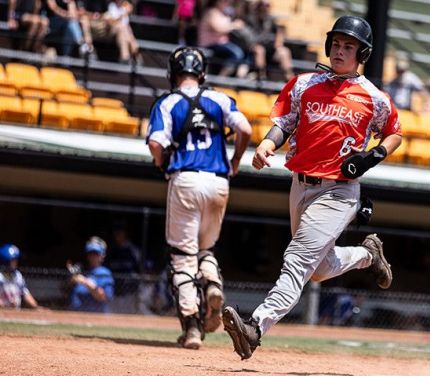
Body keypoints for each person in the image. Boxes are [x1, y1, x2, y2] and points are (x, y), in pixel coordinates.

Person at [222, 15, 402, 360]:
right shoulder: (304, 84)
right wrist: (267, 143)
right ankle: (368, 255)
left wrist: (372, 156)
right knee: (319, 270)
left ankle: (255, 327)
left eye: (348, 46)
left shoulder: (373, 97)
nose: (339, 50)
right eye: (335, 43)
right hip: (300, 185)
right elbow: (284, 124)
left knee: (298, 259)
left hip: (339, 190)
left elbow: (394, 131)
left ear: (361, 52)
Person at [146, 46, 252, 349]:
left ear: (173, 73)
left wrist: (161, 163)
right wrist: (236, 160)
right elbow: (244, 129)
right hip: (219, 181)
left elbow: (156, 143)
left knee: (182, 257)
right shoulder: (219, 98)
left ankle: (192, 328)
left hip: (186, 179)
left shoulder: (168, 102)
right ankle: (214, 286)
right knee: (205, 249)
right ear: (201, 72)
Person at [197, 0, 248, 77]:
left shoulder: (224, 14)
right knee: (237, 53)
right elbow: (218, 29)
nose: (227, 3)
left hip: (223, 44)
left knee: (246, 53)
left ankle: (240, 78)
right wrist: (234, 25)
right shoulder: (211, 12)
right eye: (224, 1)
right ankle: (222, 77)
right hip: (210, 44)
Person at [245, 0, 293, 81]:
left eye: (267, 6)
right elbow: (250, 38)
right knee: (260, 50)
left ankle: (290, 79)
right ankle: (262, 77)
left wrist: (278, 43)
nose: (265, 8)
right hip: (254, 49)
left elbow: (280, 31)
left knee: (284, 52)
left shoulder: (270, 19)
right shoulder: (250, 19)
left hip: (270, 49)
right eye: (263, 5)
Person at [68, 236, 115, 313]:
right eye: (90, 253)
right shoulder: (82, 270)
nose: (93, 256)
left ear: (102, 256)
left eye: (96, 254)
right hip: (76, 314)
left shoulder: (105, 273)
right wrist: (71, 280)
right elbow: (64, 289)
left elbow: (105, 297)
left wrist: (86, 282)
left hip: (95, 315)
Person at [106, 223, 142, 313]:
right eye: (116, 233)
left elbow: (140, 269)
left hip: (129, 291)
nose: (118, 236)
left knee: (128, 317)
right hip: (115, 291)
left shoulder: (133, 250)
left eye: (120, 233)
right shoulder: (112, 251)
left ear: (125, 234)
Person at [0, 244, 41, 309]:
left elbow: (26, 294)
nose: (16, 263)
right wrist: (5, 306)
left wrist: (37, 307)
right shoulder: (0, 277)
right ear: (5, 261)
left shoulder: (17, 275)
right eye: (13, 260)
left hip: (15, 312)